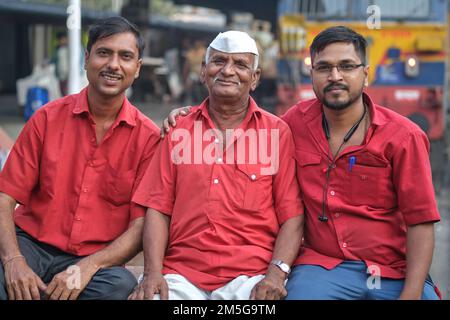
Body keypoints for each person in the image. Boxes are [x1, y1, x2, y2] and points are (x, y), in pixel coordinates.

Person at [160, 26, 441, 300]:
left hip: (393, 270)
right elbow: (242, 119)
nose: (335, 76)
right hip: (323, 267)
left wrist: (412, 293)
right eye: (324, 68)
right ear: (312, 74)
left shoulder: (404, 137)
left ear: (365, 74)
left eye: (346, 66)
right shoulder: (293, 124)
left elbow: (421, 222)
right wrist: (190, 115)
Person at [128, 30, 304, 300]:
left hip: (251, 278)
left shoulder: (276, 133)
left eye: (240, 64)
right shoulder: (179, 130)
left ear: (255, 78)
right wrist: (153, 273)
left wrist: (275, 276)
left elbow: (292, 217)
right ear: (203, 71)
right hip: (181, 275)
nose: (228, 71)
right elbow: (157, 210)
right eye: (219, 61)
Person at [0, 16, 160, 300]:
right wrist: (14, 262)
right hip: (31, 245)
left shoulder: (148, 138)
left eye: (125, 56)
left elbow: (140, 227)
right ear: (86, 60)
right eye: (103, 53)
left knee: (120, 288)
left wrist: (88, 266)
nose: (113, 65)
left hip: (97, 262)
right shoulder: (47, 119)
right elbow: (4, 197)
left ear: (137, 69)